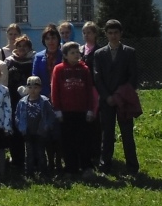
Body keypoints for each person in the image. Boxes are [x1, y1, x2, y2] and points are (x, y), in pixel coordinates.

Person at [93, 19, 140, 175]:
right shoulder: (99, 54)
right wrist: (107, 96)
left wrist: (120, 95)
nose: (113, 36)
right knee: (107, 135)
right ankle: (105, 165)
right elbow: (97, 77)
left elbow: (133, 77)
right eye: (110, 33)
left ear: (121, 34)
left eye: (116, 33)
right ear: (106, 34)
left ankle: (132, 167)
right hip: (106, 101)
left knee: (127, 134)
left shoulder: (129, 52)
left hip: (124, 100)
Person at [51, 41, 96, 179]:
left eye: (78, 52)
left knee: (83, 140)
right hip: (66, 112)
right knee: (68, 141)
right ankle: (70, 168)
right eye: (72, 53)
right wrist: (57, 109)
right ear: (65, 55)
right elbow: (55, 90)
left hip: (82, 111)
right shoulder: (59, 69)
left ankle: (86, 167)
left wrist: (90, 109)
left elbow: (89, 90)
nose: (76, 55)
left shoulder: (84, 69)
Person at [32, 24, 63, 172]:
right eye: (48, 38)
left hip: (62, 98)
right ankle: (49, 162)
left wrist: (56, 92)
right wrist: (44, 93)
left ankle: (59, 161)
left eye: (54, 37)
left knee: (60, 132)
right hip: (44, 98)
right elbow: (35, 78)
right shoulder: (38, 57)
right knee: (47, 131)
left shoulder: (64, 54)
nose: (51, 41)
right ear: (44, 40)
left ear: (58, 39)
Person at [5, 33, 36, 170]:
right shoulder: (9, 61)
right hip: (13, 100)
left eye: (25, 46)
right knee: (15, 130)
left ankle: (32, 161)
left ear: (29, 48)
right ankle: (17, 160)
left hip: (30, 99)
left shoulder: (34, 60)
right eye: (19, 46)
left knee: (30, 130)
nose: (22, 48)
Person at [14, 75, 55, 177]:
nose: (33, 90)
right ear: (27, 88)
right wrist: (20, 126)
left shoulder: (44, 101)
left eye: (35, 87)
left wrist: (47, 126)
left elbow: (51, 115)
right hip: (27, 132)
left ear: (40, 88)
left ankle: (43, 172)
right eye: (30, 87)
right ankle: (29, 172)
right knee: (29, 153)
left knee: (41, 152)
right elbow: (17, 115)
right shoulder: (22, 102)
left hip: (40, 132)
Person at [80, 21, 102, 168]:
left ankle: (96, 153)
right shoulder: (80, 50)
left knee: (95, 122)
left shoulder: (99, 51)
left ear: (95, 34)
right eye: (85, 33)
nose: (87, 35)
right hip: (82, 89)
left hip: (95, 89)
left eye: (90, 32)